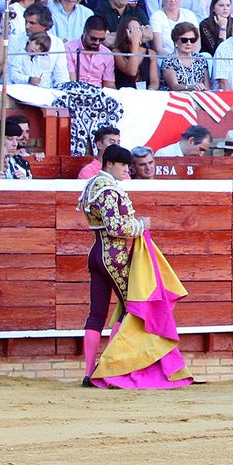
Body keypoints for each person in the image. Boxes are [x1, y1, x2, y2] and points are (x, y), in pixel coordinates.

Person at [76, 144, 194, 388]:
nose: (126, 171)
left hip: (96, 253)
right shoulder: (108, 190)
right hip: (114, 255)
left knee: (96, 314)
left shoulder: (92, 186)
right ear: (109, 164)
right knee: (131, 307)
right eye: (122, 165)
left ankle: (89, 373)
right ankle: (109, 368)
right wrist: (141, 225)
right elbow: (116, 228)